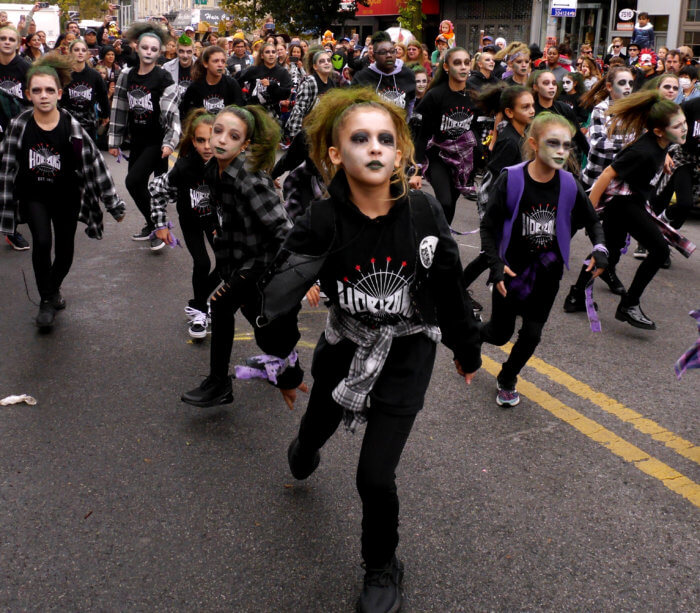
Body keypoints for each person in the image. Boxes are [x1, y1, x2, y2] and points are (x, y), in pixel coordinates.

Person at [255, 87, 481, 613]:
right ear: (336, 155)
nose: (375, 148)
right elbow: (277, 301)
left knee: (374, 475)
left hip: (407, 352)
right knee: (316, 429)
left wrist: (466, 349)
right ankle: (305, 446)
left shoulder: (423, 210)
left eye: (386, 139)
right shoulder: (322, 219)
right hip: (345, 344)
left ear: (400, 151)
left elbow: (448, 284)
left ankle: (382, 566)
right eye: (360, 139)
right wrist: (285, 364)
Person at [479, 112, 607, 405]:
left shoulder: (570, 184)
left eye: (567, 145)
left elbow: (593, 222)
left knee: (532, 334)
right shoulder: (511, 178)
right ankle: (471, 336)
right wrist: (496, 265)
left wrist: (600, 250)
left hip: (547, 273)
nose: (561, 151)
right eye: (553, 143)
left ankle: (508, 376)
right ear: (534, 144)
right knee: (499, 334)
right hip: (511, 272)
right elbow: (488, 226)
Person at [180, 104, 300, 407]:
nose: (220, 140)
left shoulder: (250, 177)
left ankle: (219, 384)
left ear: (244, 144)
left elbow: (283, 229)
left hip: (262, 261)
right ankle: (289, 371)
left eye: (232, 136)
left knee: (220, 305)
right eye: (217, 131)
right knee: (261, 323)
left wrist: (300, 275)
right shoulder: (214, 168)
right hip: (238, 258)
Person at [0, 55, 126, 329]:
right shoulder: (19, 126)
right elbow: (5, 165)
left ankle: (53, 288)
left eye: (49, 90)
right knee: (42, 242)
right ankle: (46, 300)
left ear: (59, 93)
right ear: (27, 94)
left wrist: (113, 204)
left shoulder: (73, 129)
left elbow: (96, 166)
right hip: (32, 195)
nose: (43, 96)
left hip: (66, 196)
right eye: (36, 90)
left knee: (65, 249)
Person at [569, 91, 686, 330]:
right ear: (659, 131)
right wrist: (589, 212)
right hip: (624, 204)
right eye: (678, 125)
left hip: (628, 202)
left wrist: (663, 158)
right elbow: (607, 174)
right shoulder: (643, 151)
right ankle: (629, 304)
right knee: (659, 251)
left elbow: (652, 147)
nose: (684, 128)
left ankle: (576, 295)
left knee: (609, 252)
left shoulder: (659, 143)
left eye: (684, 123)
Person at [563, 67, 636, 310]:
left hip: (620, 188)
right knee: (568, 229)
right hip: (593, 182)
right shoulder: (601, 110)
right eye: (622, 82)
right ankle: (545, 262)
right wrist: (633, 146)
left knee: (612, 242)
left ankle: (582, 288)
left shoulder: (635, 112)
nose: (627, 87)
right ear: (608, 86)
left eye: (630, 83)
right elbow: (601, 147)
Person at [108, 23, 181, 251]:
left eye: (154, 49)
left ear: (160, 52)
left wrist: (170, 142)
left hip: (157, 142)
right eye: (145, 48)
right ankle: (154, 224)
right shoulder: (127, 76)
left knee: (135, 181)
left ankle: (158, 227)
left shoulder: (164, 78)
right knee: (136, 185)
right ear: (136, 48)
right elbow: (119, 108)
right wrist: (114, 140)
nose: (149, 52)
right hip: (137, 140)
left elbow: (173, 115)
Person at [149, 110, 218, 338]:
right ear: (192, 142)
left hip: (215, 221)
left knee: (230, 264)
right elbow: (156, 188)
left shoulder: (225, 164)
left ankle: (198, 302)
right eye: (201, 140)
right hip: (191, 221)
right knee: (202, 263)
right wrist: (161, 224)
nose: (207, 146)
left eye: (211, 139)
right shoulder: (184, 166)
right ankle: (199, 310)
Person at [463, 84, 536, 288]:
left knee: (497, 253)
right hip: (493, 197)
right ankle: (457, 291)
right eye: (525, 107)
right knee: (490, 253)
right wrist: (497, 213)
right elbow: (495, 180)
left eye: (532, 105)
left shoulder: (518, 133)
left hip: (506, 198)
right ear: (510, 112)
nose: (532, 110)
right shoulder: (510, 142)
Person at [411, 47, 477, 223]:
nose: (463, 67)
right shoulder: (435, 95)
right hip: (437, 155)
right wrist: (416, 171)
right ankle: (431, 232)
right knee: (445, 202)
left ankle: (441, 239)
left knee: (451, 205)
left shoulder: (473, 94)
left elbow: (475, 130)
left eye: (466, 63)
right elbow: (422, 134)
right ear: (446, 67)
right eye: (457, 63)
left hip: (461, 158)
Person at [0, 24, 32, 251]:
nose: (7, 42)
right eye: (2, 38)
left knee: (15, 181)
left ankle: (12, 227)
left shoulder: (24, 67)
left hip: (17, 131)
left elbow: (34, 96)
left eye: (12, 39)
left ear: (18, 42)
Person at [352, 31, 417, 114]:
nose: (389, 55)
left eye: (392, 51)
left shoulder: (408, 74)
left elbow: (411, 103)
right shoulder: (361, 77)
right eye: (383, 52)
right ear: (374, 56)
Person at [60, 39, 110, 142]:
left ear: (87, 53)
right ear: (70, 52)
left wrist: (106, 114)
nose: (80, 53)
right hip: (68, 120)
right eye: (76, 50)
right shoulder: (64, 74)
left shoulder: (94, 75)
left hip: (88, 120)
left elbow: (102, 95)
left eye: (83, 50)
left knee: (87, 155)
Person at [284, 49, 335, 142]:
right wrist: (296, 136)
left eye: (328, 60)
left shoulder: (332, 82)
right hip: (308, 131)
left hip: (323, 131)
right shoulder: (310, 82)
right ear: (315, 66)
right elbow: (299, 109)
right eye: (322, 61)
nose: (326, 63)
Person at [180, 45, 244, 117]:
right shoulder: (195, 87)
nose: (220, 65)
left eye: (223, 61)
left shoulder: (232, 84)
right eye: (216, 61)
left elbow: (239, 112)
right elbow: (187, 113)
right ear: (205, 64)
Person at [238, 41, 292, 119]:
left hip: (273, 113)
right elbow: (237, 83)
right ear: (262, 56)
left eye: (273, 52)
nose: (271, 54)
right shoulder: (253, 70)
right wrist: (244, 101)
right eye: (267, 52)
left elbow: (286, 93)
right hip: (254, 111)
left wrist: (272, 85)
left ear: (276, 55)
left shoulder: (283, 72)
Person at [162, 34, 194, 105]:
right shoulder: (167, 67)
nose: (185, 56)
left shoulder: (201, 67)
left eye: (189, 52)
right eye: (181, 51)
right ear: (176, 51)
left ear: (193, 51)